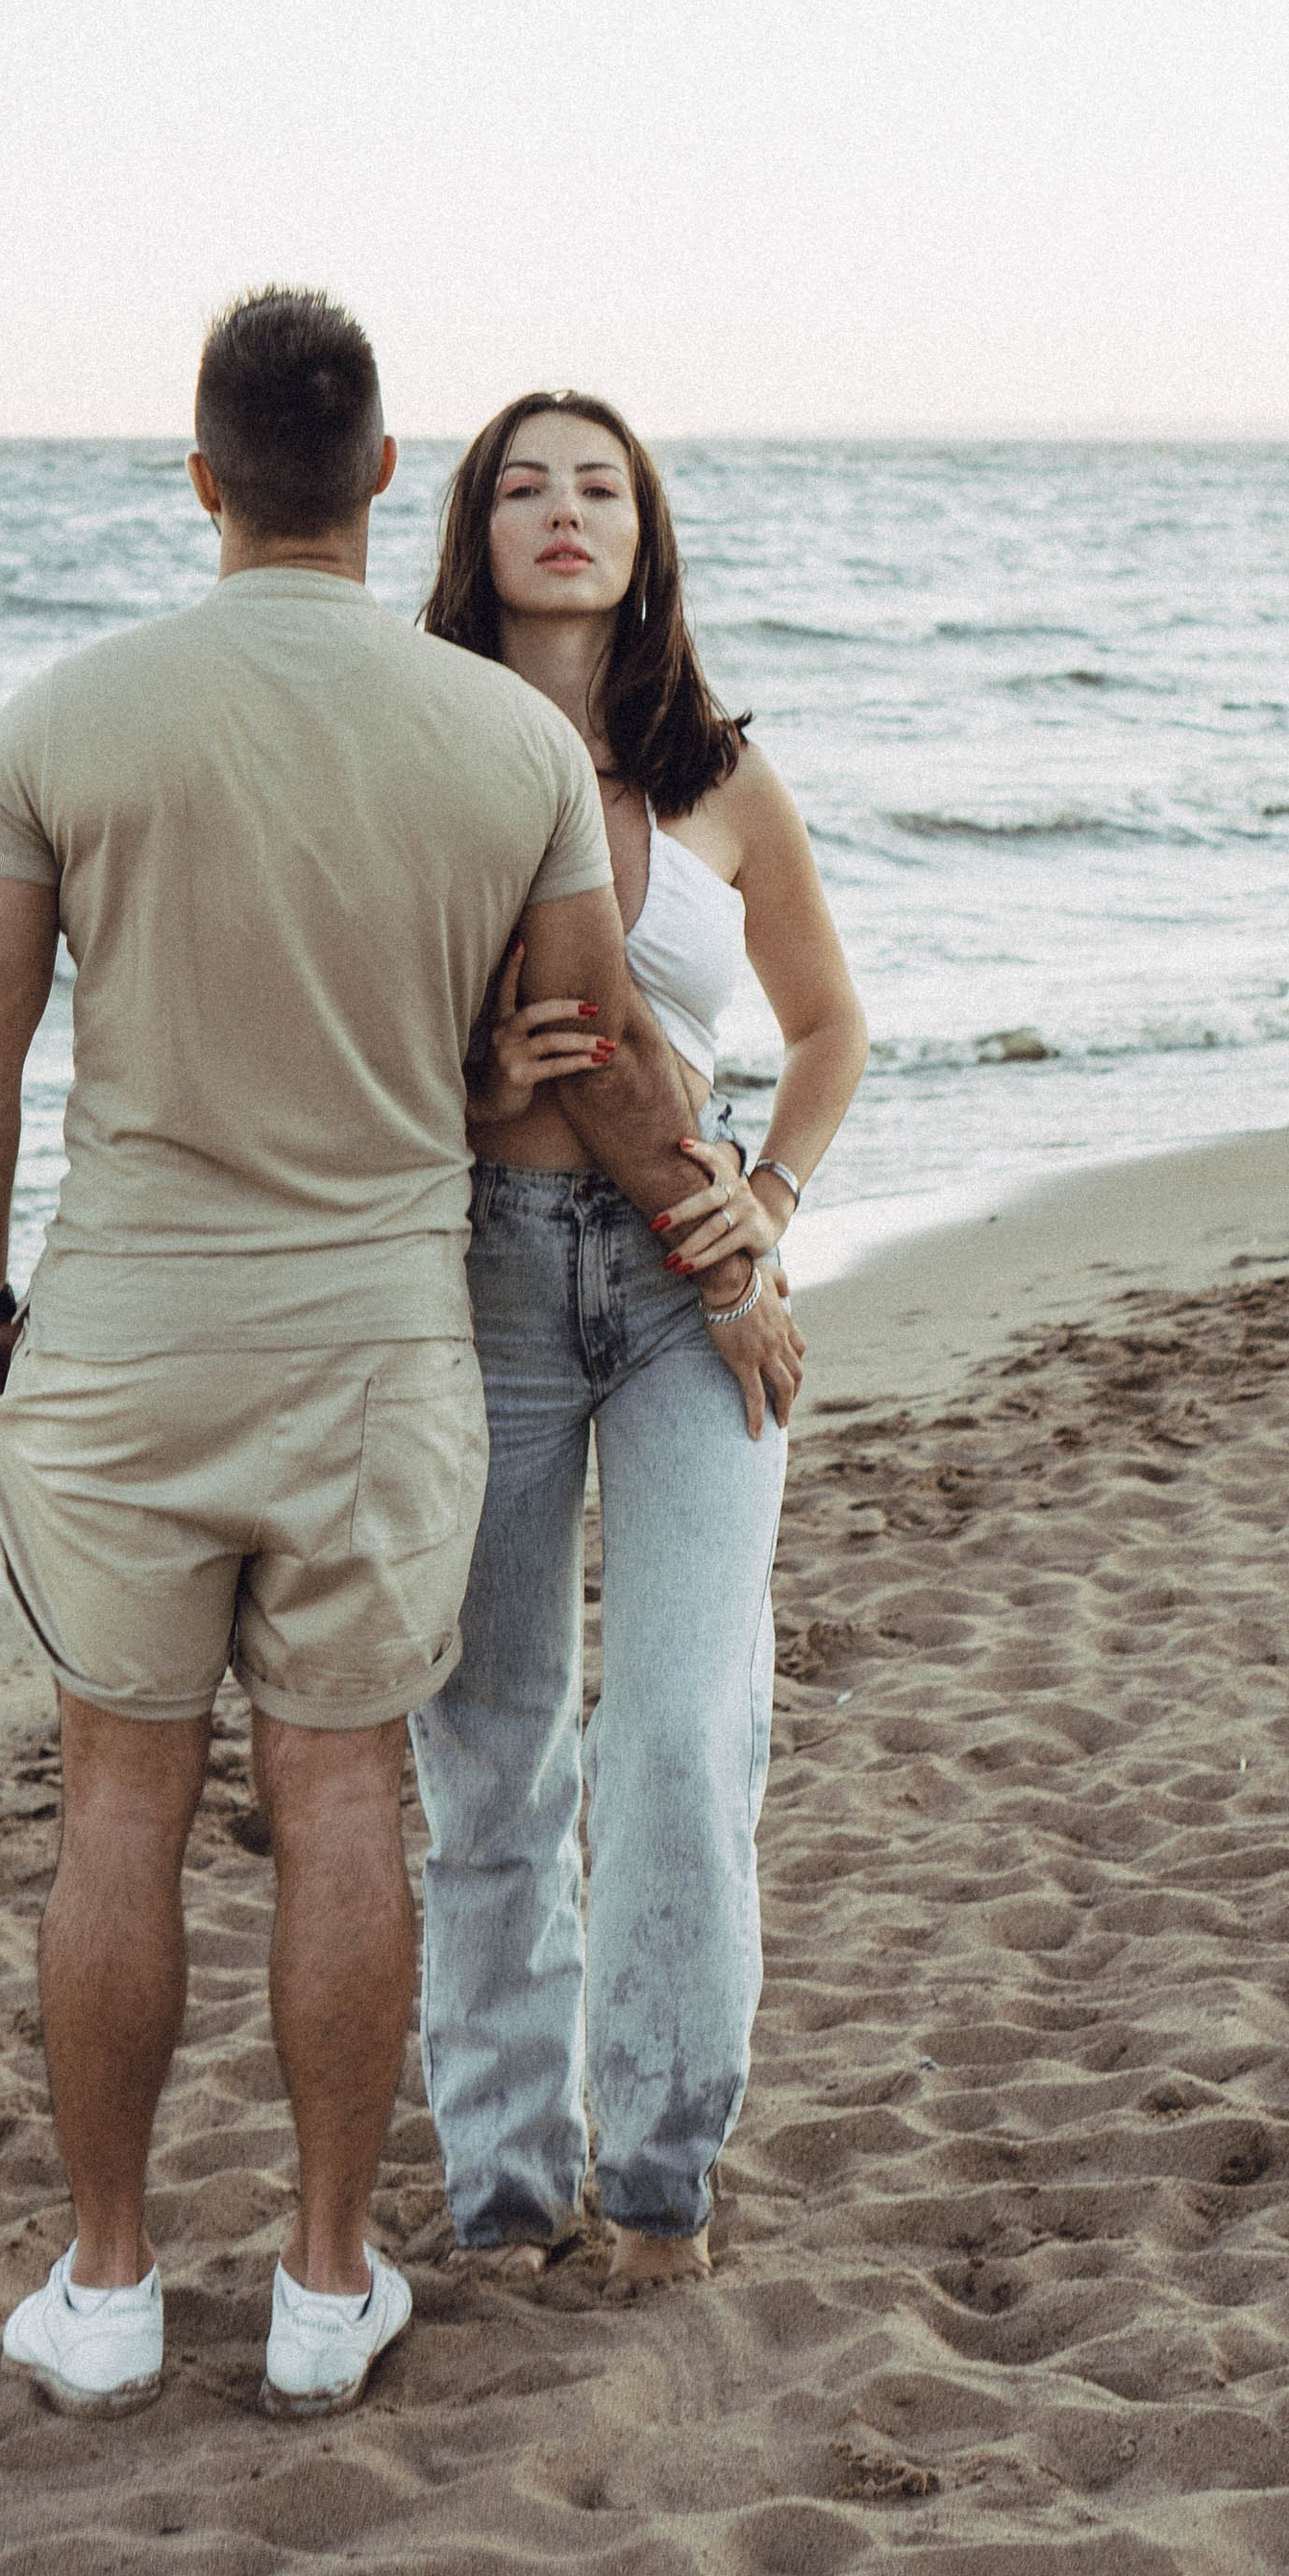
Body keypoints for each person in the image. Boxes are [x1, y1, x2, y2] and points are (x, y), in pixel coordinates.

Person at [0, 292, 803, 2422]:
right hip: (384, 1343)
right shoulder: (496, 742)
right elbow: (596, 1057)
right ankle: (327, 2289)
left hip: (128, 1347)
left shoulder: (61, 718)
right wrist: (730, 1239)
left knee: (117, 1805)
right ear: (390, 478)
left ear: (202, 474)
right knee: (344, 1794)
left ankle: (113, 2287)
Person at [410, 392, 866, 2299]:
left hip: (690, 1291)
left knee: (679, 1734)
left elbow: (830, 1027)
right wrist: (463, 1071)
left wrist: (761, 1205)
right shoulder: (412, 757)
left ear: (644, 530)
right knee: (492, 1751)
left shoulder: (718, 775)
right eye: (523, 485)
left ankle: (663, 2181)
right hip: (484, 1282)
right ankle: (508, 2199)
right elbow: (332, 1035)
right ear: (476, 532)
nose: (562, 511)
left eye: (597, 485)